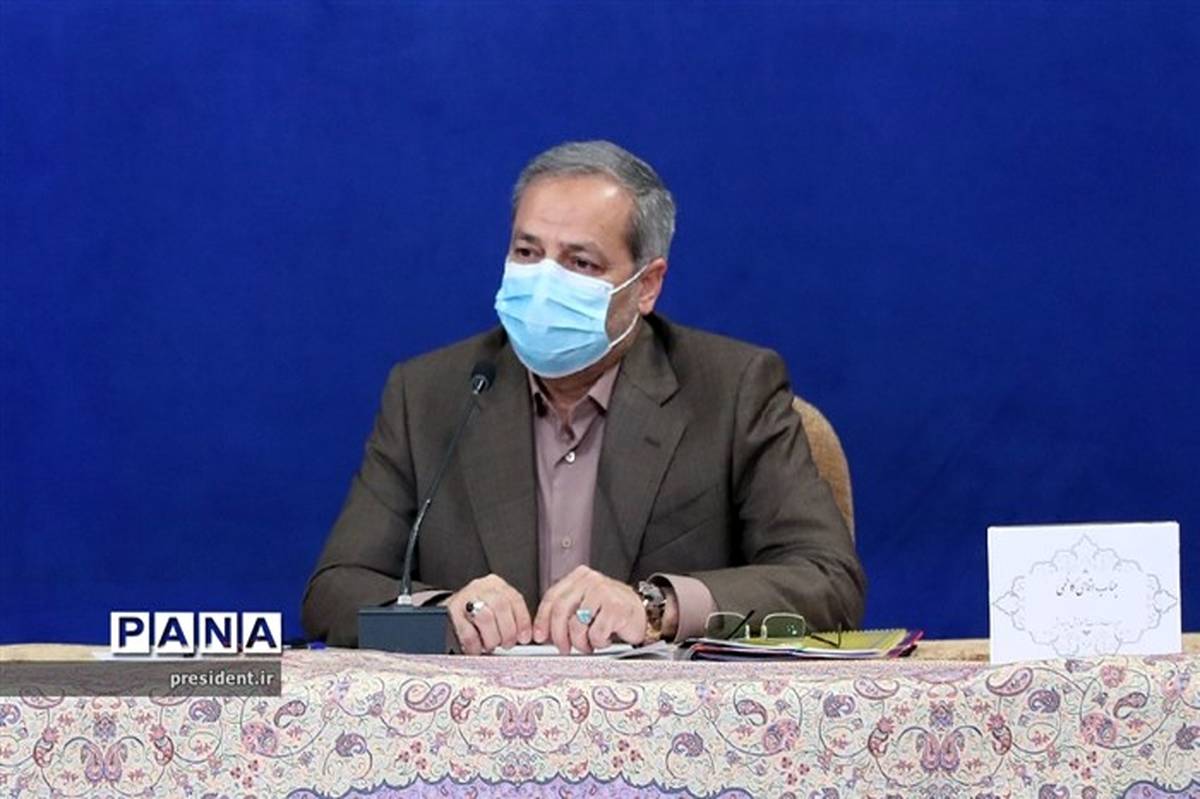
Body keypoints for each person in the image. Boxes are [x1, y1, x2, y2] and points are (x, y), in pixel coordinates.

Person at [301, 140, 865, 654]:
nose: (544, 282)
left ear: (647, 286)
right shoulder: (430, 395)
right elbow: (333, 593)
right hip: (477, 725)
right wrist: (438, 615)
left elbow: (829, 582)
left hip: (667, 722)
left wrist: (657, 607)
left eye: (580, 263)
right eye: (527, 252)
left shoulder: (732, 389)